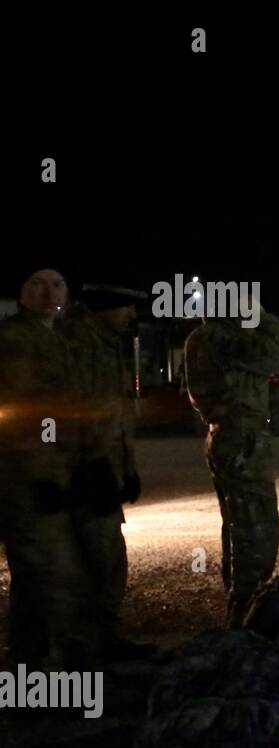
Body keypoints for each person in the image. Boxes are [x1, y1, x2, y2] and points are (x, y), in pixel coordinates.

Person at [0, 265, 91, 667]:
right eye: (35, 283)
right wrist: (47, 470)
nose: (46, 292)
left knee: (31, 582)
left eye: (57, 283)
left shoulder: (57, 337)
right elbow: (34, 414)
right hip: (28, 476)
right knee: (59, 577)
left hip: (46, 470)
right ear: (20, 294)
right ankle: (64, 679)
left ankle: (27, 674)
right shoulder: (16, 339)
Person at [58, 289, 153, 660]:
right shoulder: (75, 343)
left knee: (110, 559)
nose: (131, 313)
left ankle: (107, 643)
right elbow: (56, 413)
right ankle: (83, 657)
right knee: (90, 564)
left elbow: (116, 416)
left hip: (106, 469)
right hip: (84, 473)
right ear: (105, 306)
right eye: (126, 305)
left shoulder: (108, 344)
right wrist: (79, 467)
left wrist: (127, 470)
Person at [184, 296, 279, 626]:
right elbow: (272, 357)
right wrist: (266, 319)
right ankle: (245, 613)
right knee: (257, 530)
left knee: (237, 523)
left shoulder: (204, 336)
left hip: (227, 434)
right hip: (242, 436)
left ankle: (241, 605)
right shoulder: (223, 337)